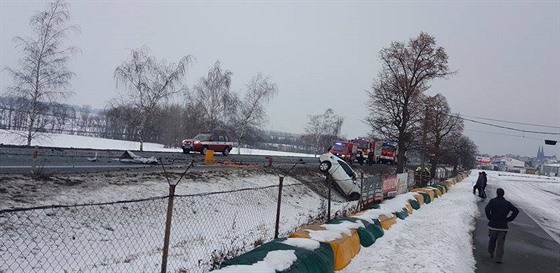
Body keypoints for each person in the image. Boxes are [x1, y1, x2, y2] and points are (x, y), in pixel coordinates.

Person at [485, 188, 519, 264]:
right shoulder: (507, 203)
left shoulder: (492, 201)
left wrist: (490, 217)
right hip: (503, 226)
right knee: (500, 244)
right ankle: (498, 259)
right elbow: (516, 211)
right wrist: (509, 219)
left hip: (493, 225)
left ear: (497, 193)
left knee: (492, 240)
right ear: (503, 194)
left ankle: (491, 251)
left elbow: (487, 209)